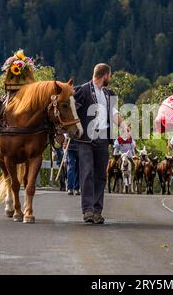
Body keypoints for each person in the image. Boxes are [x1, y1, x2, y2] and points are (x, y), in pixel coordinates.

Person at [74, 63, 128, 224]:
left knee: (100, 175)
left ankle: (97, 210)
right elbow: (71, 111)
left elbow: (114, 113)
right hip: (85, 139)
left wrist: (124, 126)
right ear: (105, 75)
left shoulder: (108, 93)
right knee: (87, 173)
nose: (110, 78)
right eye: (109, 76)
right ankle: (88, 210)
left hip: (103, 138)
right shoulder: (82, 90)